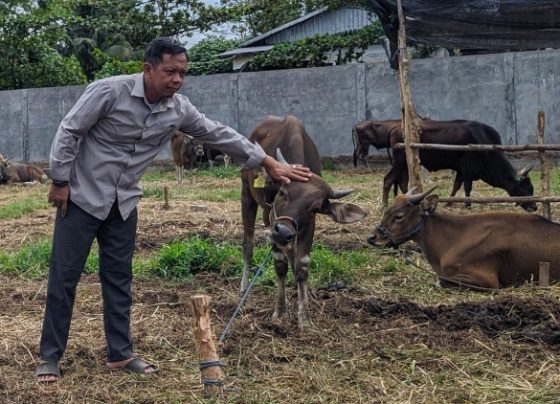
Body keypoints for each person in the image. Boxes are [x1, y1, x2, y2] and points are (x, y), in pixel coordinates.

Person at [35, 37, 312, 383]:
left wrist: (267, 160)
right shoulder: (109, 92)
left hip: (123, 203)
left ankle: (120, 355)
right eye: (170, 72)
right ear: (148, 70)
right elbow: (70, 130)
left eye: (182, 73)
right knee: (64, 278)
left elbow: (217, 133)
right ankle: (49, 356)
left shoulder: (178, 109)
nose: (177, 80)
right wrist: (60, 180)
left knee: (119, 279)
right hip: (80, 198)